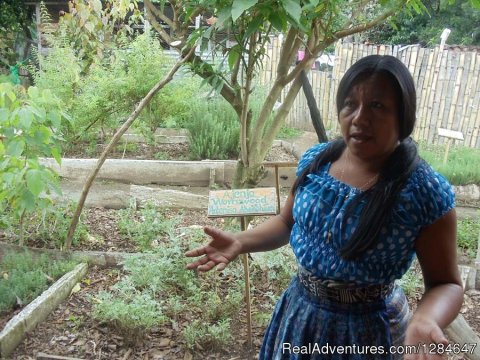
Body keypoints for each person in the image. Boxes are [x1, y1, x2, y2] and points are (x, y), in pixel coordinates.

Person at [185, 55, 464, 360]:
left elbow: (446, 283)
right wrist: (240, 241)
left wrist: (426, 319)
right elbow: (287, 223)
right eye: (350, 104)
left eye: (377, 106)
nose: (359, 118)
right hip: (300, 314)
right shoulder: (318, 161)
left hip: (369, 333)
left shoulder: (424, 191)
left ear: (404, 116)